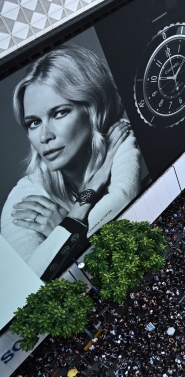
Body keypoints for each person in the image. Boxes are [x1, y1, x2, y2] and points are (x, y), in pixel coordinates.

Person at [1, 45, 142, 279]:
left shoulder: (119, 139)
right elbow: (31, 280)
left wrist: (65, 230)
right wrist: (90, 191)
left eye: (59, 113)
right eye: (34, 123)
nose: (45, 136)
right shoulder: (23, 198)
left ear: (92, 109)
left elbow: (124, 196)